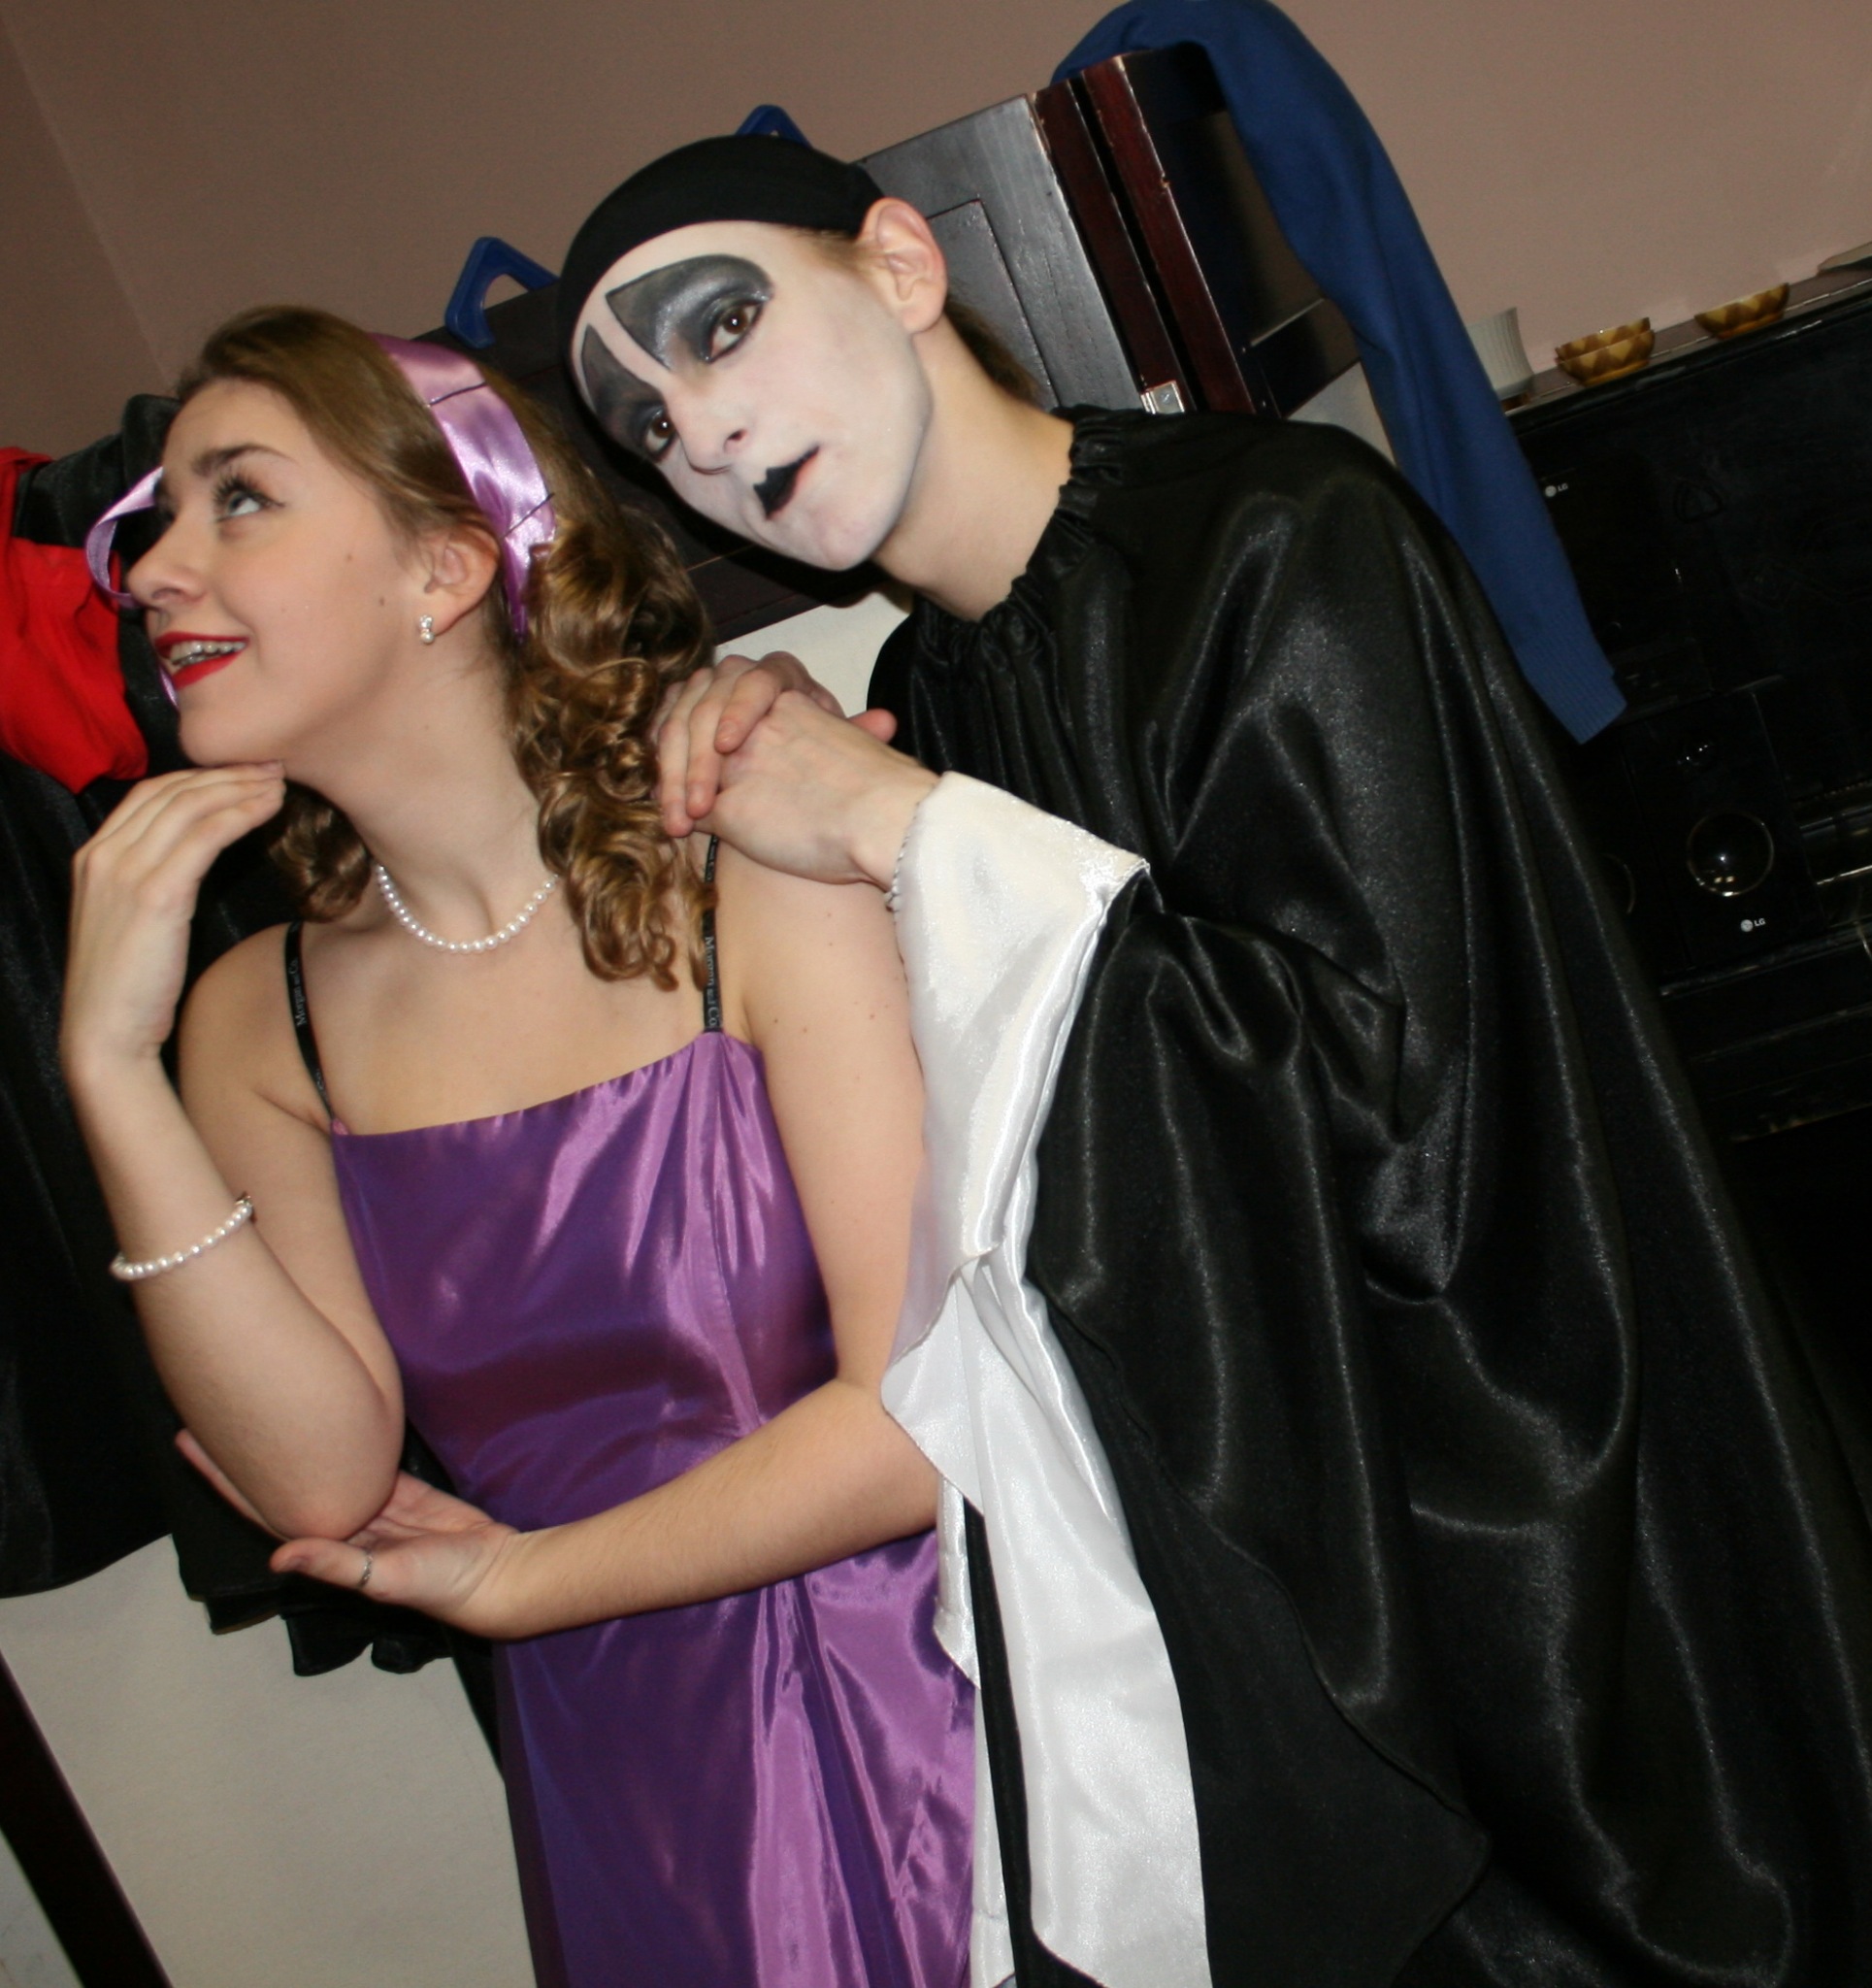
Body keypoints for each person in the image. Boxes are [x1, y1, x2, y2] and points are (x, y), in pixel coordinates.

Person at [554, 136, 1872, 1987]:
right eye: (641, 424)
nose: (696, 430)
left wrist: (909, 832)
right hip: (1306, 1591)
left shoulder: (1282, 535)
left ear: (903, 266)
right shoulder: (936, 701)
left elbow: (1401, 1114)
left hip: (1574, 1556)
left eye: (720, 327)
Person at [59, 305, 974, 1988]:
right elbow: (319, 1484)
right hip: (628, 1792)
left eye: (237, 498)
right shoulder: (260, 1020)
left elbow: (925, 1417)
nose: (154, 572)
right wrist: (109, 1063)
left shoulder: (751, 856)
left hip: (944, 1721)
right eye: (158, 519)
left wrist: (520, 1584)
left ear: (444, 565)